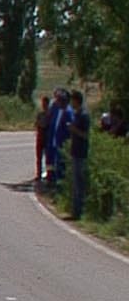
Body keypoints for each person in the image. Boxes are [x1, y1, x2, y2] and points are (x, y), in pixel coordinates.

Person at [69, 90, 90, 219]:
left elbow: (85, 135)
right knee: (75, 182)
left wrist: (74, 129)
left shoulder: (84, 115)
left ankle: (79, 211)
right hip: (75, 151)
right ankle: (75, 210)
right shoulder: (77, 114)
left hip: (81, 152)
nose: (71, 102)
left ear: (77, 100)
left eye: (72, 100)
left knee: (79, 182)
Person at [34, 94, 51, 181]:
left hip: (47, 137)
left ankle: (49, 174)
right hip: (40, 137)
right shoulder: (40, 114)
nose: (43, 105)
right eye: (42, 103)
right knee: (39, 157)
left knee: (48, 158)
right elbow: (36, 124)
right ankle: (39, 173)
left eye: (45, 103)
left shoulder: (50, 115)